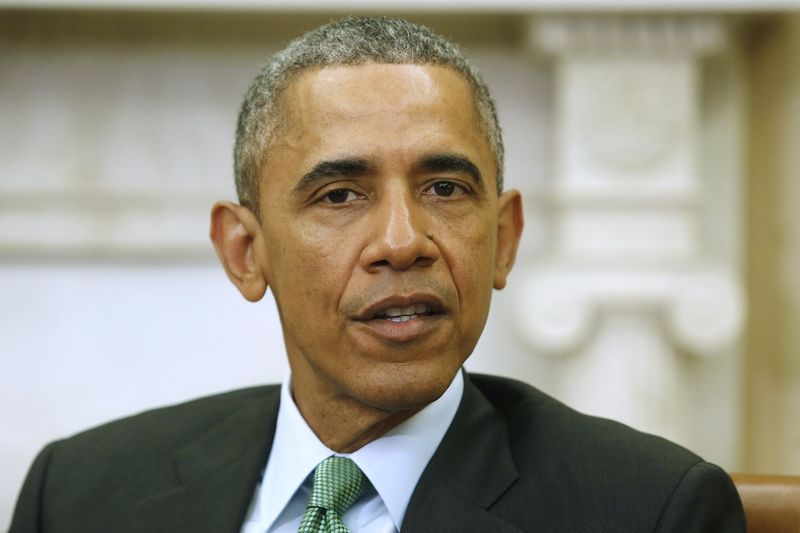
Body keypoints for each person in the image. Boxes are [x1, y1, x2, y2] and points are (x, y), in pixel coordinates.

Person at [9, 16, 744, 533]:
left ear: (504, 239)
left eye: (446, 189)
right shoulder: (80, 493)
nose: (402, 241)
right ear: (244, 251)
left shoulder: (647, 511)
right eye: (339, 195)